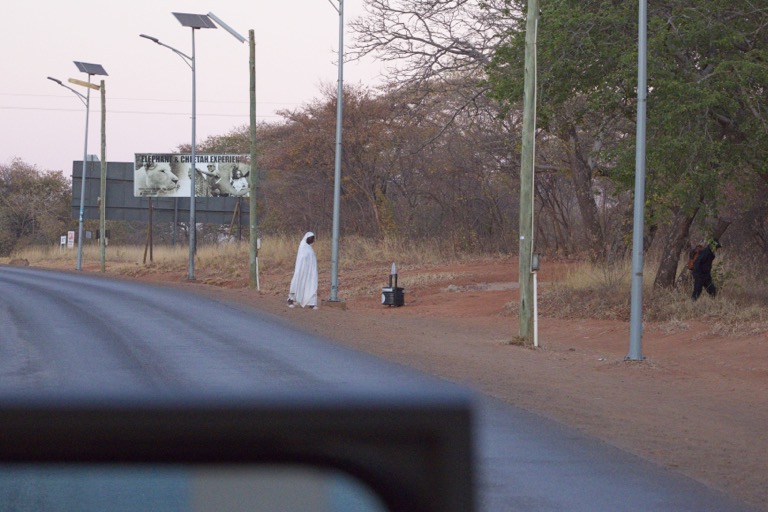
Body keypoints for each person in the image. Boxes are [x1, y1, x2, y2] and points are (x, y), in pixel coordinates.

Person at [288, 232, 318, 309]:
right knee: (297, 283)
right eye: (311, 238)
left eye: (313, 238)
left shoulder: (309, 248)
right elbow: (302, 259)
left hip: (310, 272)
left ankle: (312, 303)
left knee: (311, 285)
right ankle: (291, 300)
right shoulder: (303, 246)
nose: (312, 240)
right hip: (301, 270)